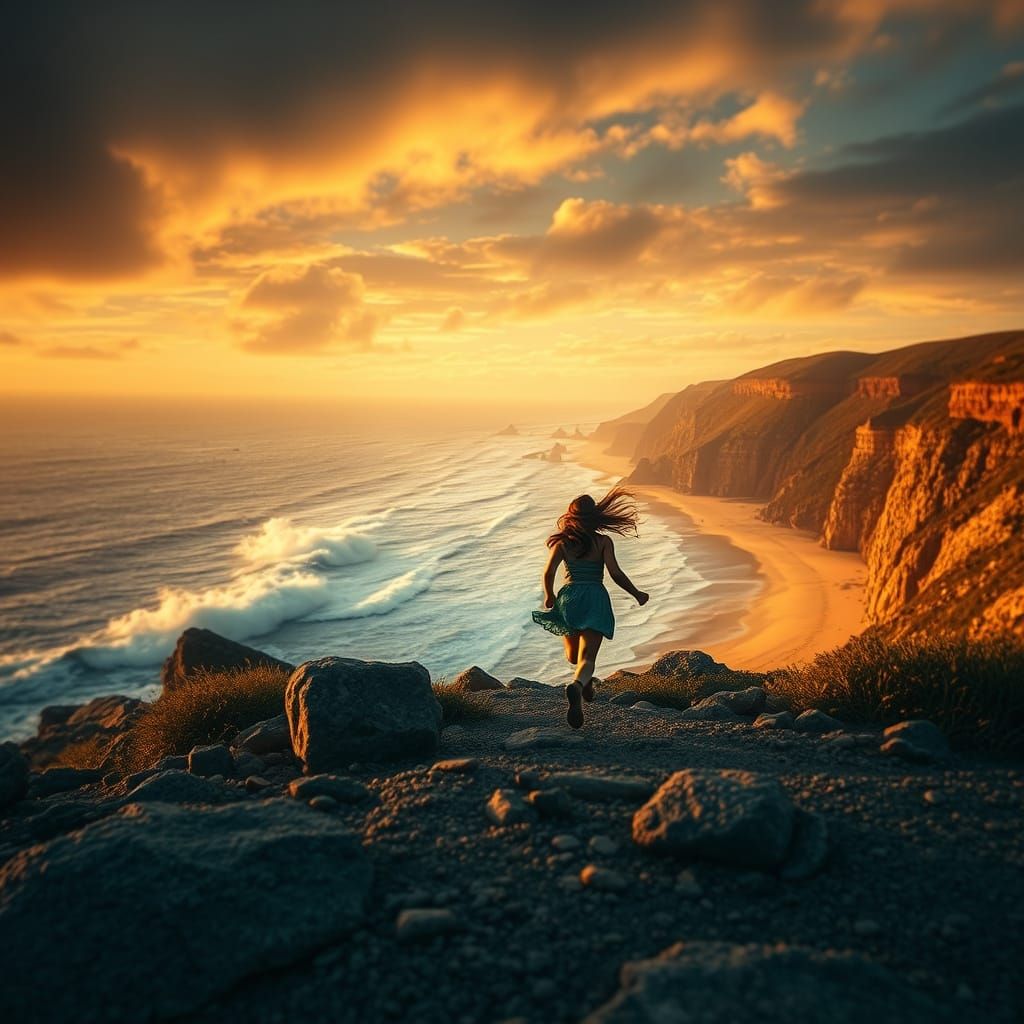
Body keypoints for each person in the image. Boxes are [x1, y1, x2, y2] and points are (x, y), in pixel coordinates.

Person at [532, 486, 649, 728]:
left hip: (570, 598)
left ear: (571, 517)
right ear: (596, 517)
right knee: (586, 659)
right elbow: (615, 573)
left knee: (572, 656)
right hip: (595, 597)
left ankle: (583, 683)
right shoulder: (603, 541)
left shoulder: (562, 543)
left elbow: (548, 572)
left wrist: (549, 595)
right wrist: (636, 593)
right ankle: (578, 684)